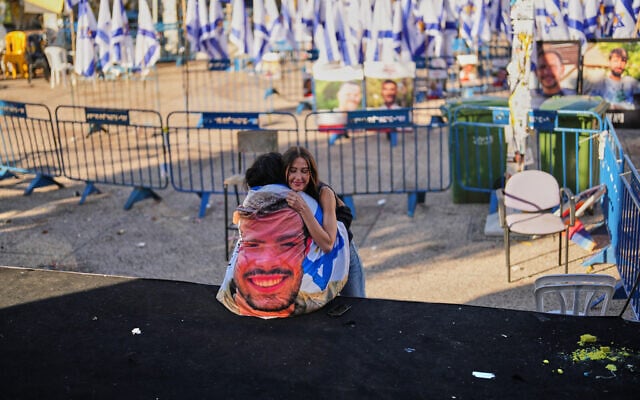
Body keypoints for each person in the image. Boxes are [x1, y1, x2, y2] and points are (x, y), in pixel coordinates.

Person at [282, 146, 366, 297]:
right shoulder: (281, 190)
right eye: (293, 170)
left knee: (357, 306)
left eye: (304, 171)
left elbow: (328, 244)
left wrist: (303, 209)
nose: (298, 177)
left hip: (341, 253)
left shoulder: (323, 193)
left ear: (311, 172)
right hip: (312, 258)